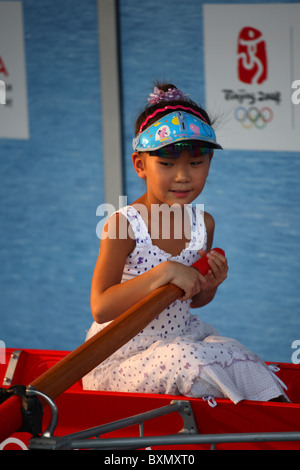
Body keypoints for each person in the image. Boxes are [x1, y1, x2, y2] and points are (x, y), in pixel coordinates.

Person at [82, 82, 288, 404]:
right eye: (166, 164)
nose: (183, 176)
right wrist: (164, 272)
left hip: (179, 338)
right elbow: (101, 306)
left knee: (236, 351)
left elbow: (190, 301)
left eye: (196, 163)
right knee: (189, 358)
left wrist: (209, 286)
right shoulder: (124, 225)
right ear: (140, 165)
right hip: (121, 360)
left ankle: (279, 430)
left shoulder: (202, 225)